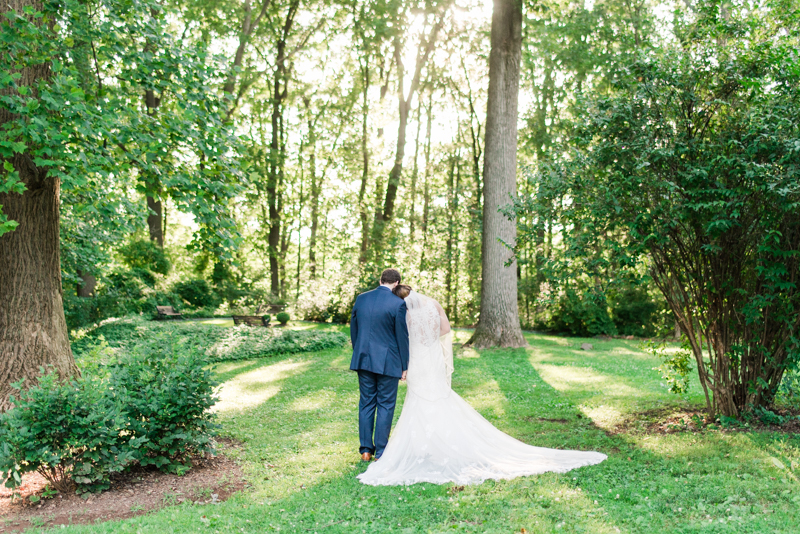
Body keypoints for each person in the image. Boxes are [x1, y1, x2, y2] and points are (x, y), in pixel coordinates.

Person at [358, 285, 606, 486]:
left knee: (417, 399)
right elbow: (445, 329)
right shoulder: (433, 305)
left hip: (416, 359)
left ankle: (408, 447)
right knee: (440, 396)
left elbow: (401, 336)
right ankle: (440, 443)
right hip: (432, 358)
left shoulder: (405, 313)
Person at [349, 268, 410, 462]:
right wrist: (404, 364)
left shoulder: (361, 299)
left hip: (363, 358)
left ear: (380, 279)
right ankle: (382, 451)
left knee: (366, 402)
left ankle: (366, 450)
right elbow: (402, 336)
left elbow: (354, 329)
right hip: (389, 361)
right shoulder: (398, 304)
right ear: (397, 282)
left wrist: (359, 351)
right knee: (385, 404)